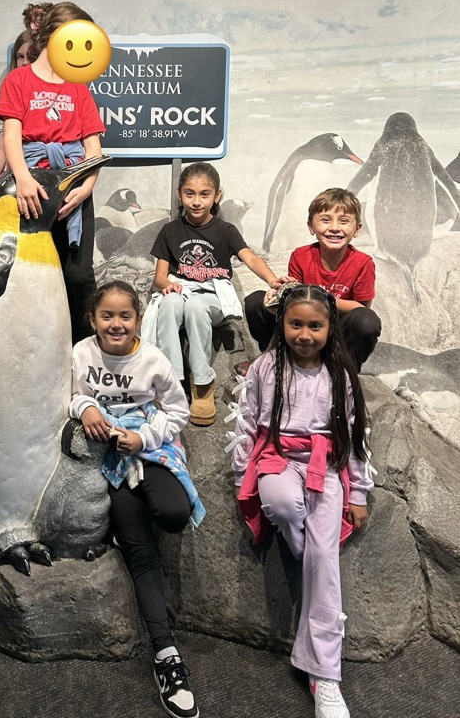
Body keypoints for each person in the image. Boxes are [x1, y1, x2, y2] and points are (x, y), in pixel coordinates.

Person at [230, 283, 373, 718]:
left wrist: (359, 492)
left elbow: (354, 435)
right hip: (276, 458)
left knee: (324, 563)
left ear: (331, 329)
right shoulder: (265, 368)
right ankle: (305, 548)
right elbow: (248, 422)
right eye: (296, 324)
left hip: (324, 466)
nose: (305, 334)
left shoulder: (340, 375)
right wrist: (243, 474)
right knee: (282, 505)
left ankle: (324, 675)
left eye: (315, 325)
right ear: (282, 323)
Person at [71, 281, 204, 718]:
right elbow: (68, 395)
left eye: (125, 316)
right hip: (106, 452)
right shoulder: (81, 353)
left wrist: (143, 436)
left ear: (138, 319)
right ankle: (166, 654)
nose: (116, 324)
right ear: (92, 320)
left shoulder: (153, 359)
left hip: (144, 443)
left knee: (173, 513)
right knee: (138, 547)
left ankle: (139, 502)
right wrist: (85, 409)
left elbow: (178, 410)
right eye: (106, 316)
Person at [0, 0, 106, 343]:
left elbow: (94, 150)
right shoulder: (18, 81)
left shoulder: (79, 86)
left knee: (77, 277)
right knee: (28, 275)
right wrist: (23, 179)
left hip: (72, 189)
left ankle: (84, 350)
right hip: (30, 188)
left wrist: (86, 189)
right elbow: (11, 137)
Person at [148, 162, 287, 427]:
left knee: (196, 307)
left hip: (213, 296)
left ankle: (202, 385)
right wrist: (167, 285)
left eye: (204, 194)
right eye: (190, 193)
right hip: (181, 290)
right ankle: (171, 383)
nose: (197, 201)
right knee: (169, 305)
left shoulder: (226, 231)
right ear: (180, 194)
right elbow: (160, 276)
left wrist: (272, 279)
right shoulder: (170, 231)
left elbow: (250, 258)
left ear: (217, 195)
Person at [244, 188, 381, 372]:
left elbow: (361, 310)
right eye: (325, 220)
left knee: (367, 322)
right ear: (311, 226)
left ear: (357, 229)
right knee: (255, 301)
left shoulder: (363, 263)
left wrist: (324, 297)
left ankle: (343, 371)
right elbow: (294, 306)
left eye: (344, 221)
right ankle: (276, 360)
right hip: (303, 329)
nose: (334, 227)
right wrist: (280, 296)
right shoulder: (301, 256)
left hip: (336, 334)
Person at [0, 29, 37, 200]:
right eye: (20, 57)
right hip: (17, 181)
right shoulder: (14, 90)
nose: (24, 63)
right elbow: (3, 143)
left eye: (31, 57)